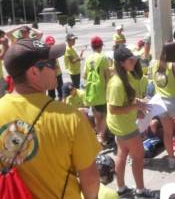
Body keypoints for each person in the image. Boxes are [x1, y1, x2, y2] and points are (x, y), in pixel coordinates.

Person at [0, 38, 100, 198]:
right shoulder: (71, 117)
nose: (57, 69)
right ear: (33, 72)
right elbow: (91, 180)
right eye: (52, 63)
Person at [106, 47, 155, 198]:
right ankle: (140, 190)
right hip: (124, 126)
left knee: (122, 153)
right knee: (138, 157)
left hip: (122, 124)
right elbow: (114, 108)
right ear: (121, 63)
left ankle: (120, 188)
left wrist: (138, 104)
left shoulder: (126, 76)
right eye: (130, 60)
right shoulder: (117, 83)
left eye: (134, 59)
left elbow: (125, 100)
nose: (134, 62)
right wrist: (135, 107)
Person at [84, 36, 110, 145]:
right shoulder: (103, 58)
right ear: (100, 47)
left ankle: (98, 136)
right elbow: (107, 76)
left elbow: (84, 76)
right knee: (103, 116)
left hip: (91, 92)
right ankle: (101, 138)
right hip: (101, 92)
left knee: (97, 116)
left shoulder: (88, 58)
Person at [45, 35, 63, 100]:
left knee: (61, 92)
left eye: (53, 43)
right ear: (46, 44)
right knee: (51, 94)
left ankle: (61, 104)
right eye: (50, 44)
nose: (52, 45)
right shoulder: (46, 54)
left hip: (58, 74)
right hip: (50, 76)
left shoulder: (55, 51)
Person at [0, 30, 9, 98]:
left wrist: (5, 45)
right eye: (2, 36)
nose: (4, 38)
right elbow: (2, 57)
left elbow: (5, 56)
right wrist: (5, 45)